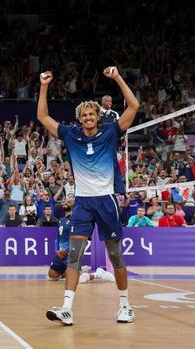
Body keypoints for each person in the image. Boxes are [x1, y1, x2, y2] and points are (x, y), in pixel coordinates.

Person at [38, 66, 140, 326]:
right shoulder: (70, 135)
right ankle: (67, 308)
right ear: (80, 118)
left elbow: (134, 106)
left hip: (106, 200)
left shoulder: (110, 132)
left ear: (98, 116)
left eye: (92, 114)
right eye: (84, 115)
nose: (88, 118)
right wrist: (44, 85)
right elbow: (42, 116)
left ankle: (126, 306)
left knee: (115, 256)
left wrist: (117, 77)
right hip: (82, 202)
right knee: (74, 255)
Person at [47, 198, 115, 284]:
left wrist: (67, 250)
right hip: (61, 254)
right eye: (64, 201)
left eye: (68, 201)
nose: (65, 203)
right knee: (51, 276)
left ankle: (98, 274)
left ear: (74, 205)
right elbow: (58, 237)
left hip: (72, 252)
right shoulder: (61, 220)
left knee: (78, 281)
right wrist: (57, 250)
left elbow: (80, 239)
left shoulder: (77, 219)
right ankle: (77, 271)